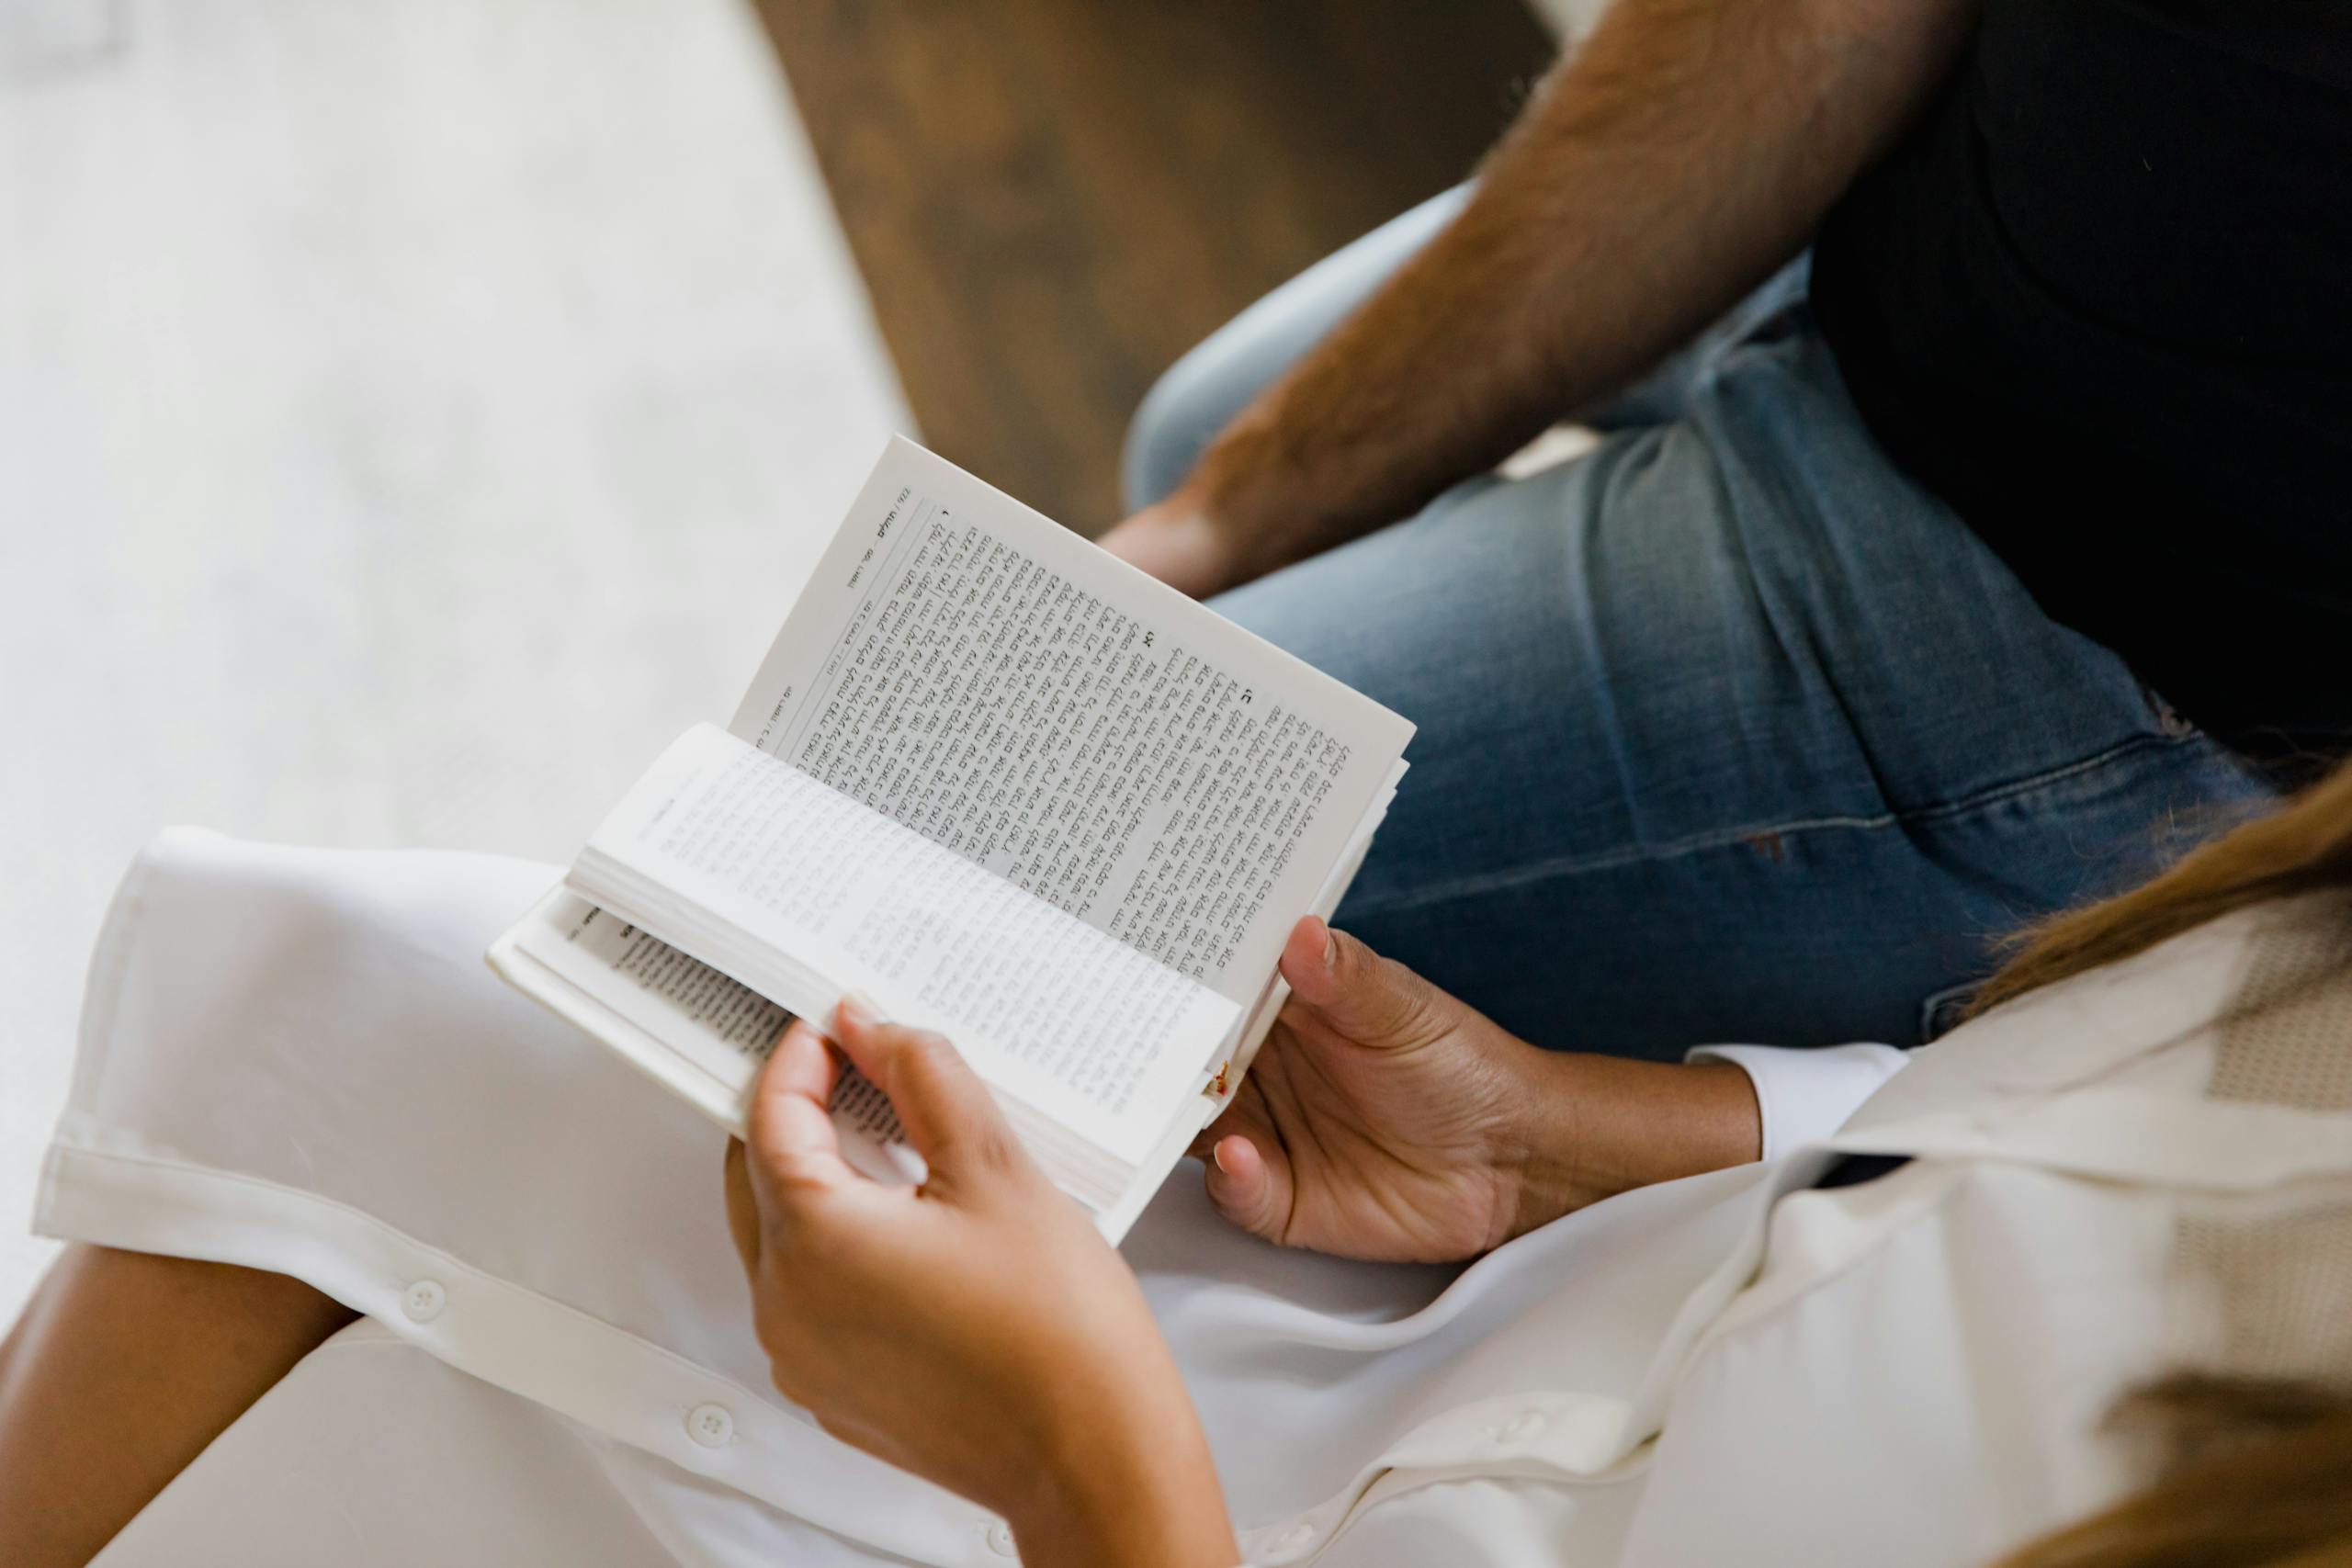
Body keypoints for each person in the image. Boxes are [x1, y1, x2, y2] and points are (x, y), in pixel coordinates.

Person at [5, 765, 2350, 1567]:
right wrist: (1566, 1139)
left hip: (1162, 1503)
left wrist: (1080, 1470)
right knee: (449, 1004)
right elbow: (2006, 1142)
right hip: (1455, 1347)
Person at [1092, 0, 2349, 1069]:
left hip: (2106, 634)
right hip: (1925, 193)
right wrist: (1227, 513)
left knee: (1054, 847)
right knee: (1185, 445)